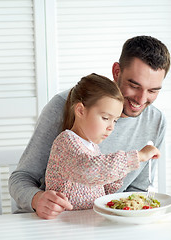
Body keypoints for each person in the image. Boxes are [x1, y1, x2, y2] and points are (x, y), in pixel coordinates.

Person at [9, 35, 170, 219]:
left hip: (99, 222)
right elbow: (20, 178)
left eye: (153, 91)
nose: (141, 100)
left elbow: (136, 191)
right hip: (49, 222)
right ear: (117, 71)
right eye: (134, 86)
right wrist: (37, 199)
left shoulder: (155, 120)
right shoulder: (64, 106)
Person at [45, 73, 160, 210]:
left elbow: (103, 188)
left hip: (88, 222)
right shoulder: (65, 142)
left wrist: (119, 174)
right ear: (80, 110)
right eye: (105, 118)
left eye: (115, 120)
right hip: (65, 223)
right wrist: (137, 157)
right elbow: (88, 171)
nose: (111, 127)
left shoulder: (93, 148)